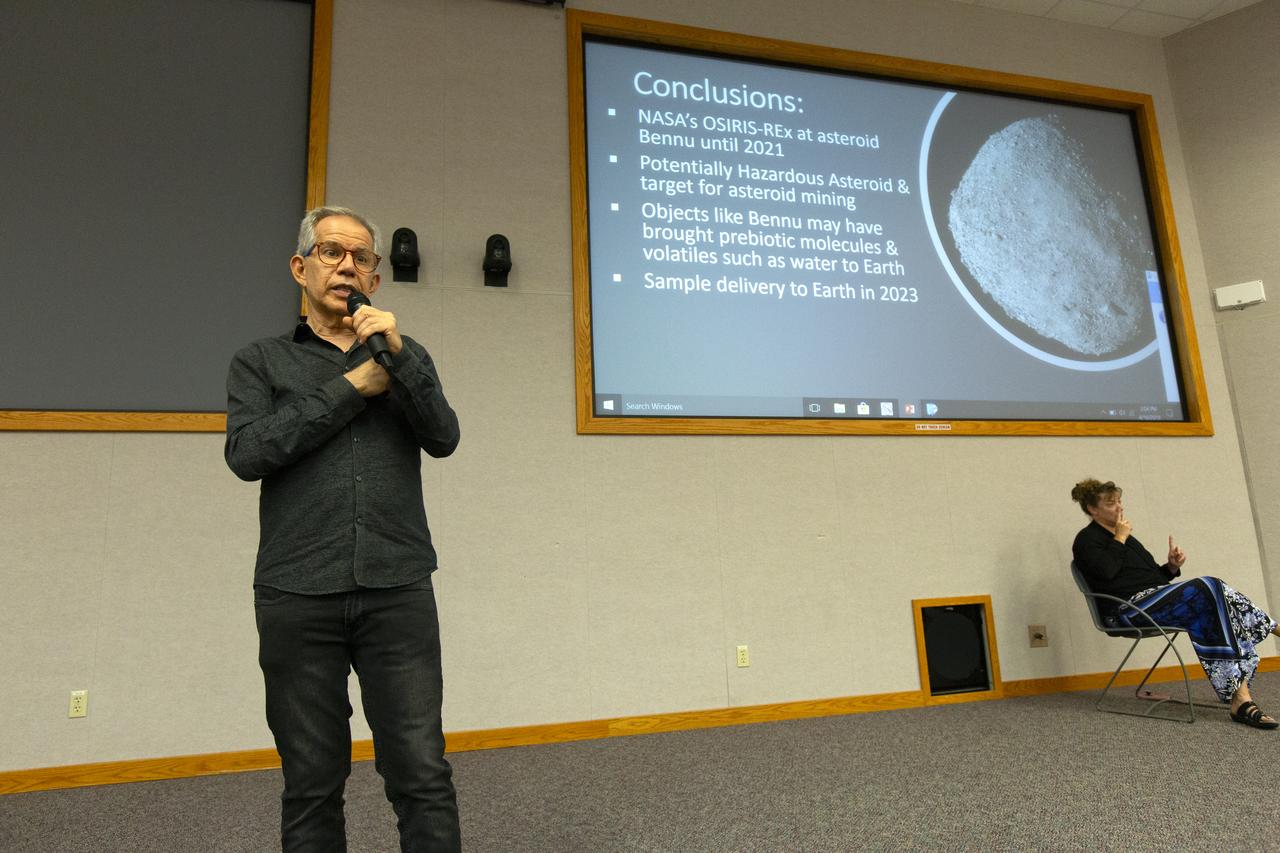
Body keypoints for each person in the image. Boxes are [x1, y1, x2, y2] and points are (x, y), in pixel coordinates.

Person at [225, 206, 462, 850]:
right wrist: (354, 386)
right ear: (300, 268)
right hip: (297, 592)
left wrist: (400, 359)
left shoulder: (404, 355)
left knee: (421, 771)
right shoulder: (261, 362)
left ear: (375, 282)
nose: (347, 266)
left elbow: (444, 437)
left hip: (397, 589)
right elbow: (249, 453)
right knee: (311, 780)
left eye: (361, 258)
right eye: (331, 252)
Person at [1071, 477, 1280, 729]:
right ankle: (1270, 626)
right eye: (1111, 503)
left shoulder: (1127, 539)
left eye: (1119, 501)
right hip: (1125, 610)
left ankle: (1241, 700)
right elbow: (1106, 573)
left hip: (1152, 600)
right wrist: (1120, 538)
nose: (1119, 508)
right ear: (1092, 509)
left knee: (1212, 610)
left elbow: (1154, 581)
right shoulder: (1086, 540)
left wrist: (1171, 567)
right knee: (1209, 586)